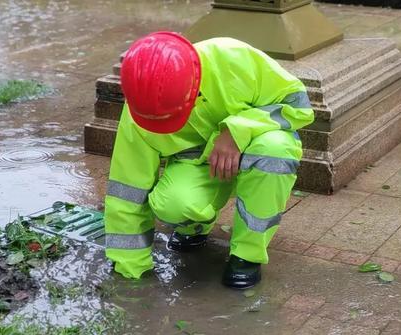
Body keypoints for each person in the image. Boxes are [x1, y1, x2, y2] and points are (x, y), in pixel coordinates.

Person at [104, 31, 314, 289]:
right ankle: (195, 227)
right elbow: (127, 189)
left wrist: (237, 130)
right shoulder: (140, 109)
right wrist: (130, 270)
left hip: (256, 147)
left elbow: (299, 105)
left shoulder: (232, 58)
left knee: (275, 151)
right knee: (171, 205)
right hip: (198, 166)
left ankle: (246, 255)